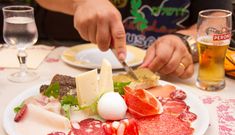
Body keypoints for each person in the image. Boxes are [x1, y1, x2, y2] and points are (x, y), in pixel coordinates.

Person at [35, 0, 232, 79]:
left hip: (168, 75)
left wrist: (185, 42)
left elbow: (219, 18)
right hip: (82, 68)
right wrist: (80, 2)